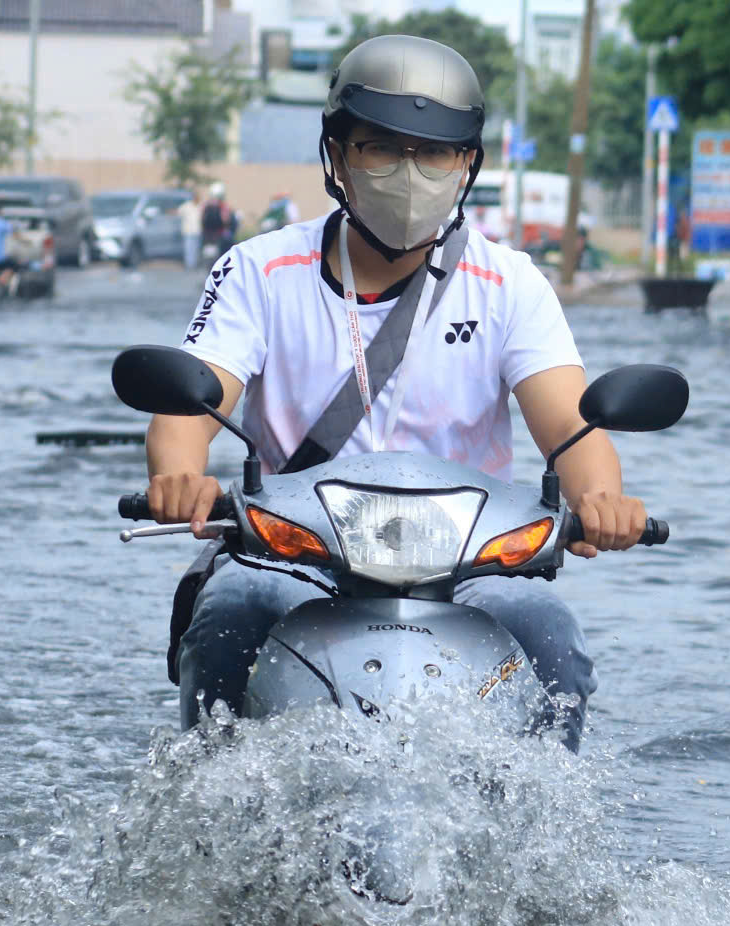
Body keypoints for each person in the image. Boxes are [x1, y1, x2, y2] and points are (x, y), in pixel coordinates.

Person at [145, 33, 650, 748]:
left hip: (469, 566)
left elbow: (573, 424)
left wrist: (602, 500)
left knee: (551, 636)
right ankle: (208, 814)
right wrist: (178, 479)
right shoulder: (258, 271)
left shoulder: (511, 284)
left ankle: (543, 841)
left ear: (466, 164)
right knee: (227, 615)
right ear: (338, 156)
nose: (409, 172)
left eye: (434, 152)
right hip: (295, 557)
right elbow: (189, 404)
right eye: (381, 148)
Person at [176, 189, 201, 269]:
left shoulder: (200, 206)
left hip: (198, 231)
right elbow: (177, 212)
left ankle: (194, 264)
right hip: (188, 231)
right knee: (188, 249)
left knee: (196, 249)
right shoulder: (186, 206)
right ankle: (189, 265)